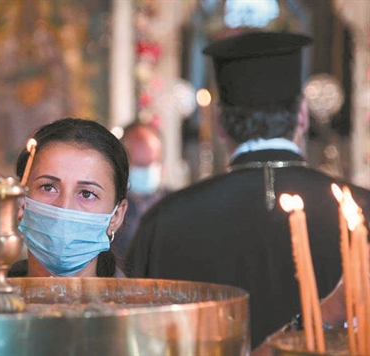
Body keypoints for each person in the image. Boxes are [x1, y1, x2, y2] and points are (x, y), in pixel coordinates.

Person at [125, 31, 370, 349]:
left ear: (219, 123)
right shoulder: (361, 209)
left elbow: (138, 338)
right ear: (302, 115)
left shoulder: (164, 220)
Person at [0, 117, 129, 278]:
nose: (64, 207)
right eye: (48, 187)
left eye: (87, 194)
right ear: (19, 200)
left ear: (116, 216)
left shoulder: (135, 309)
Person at [112, 122, 171, 272]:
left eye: (150, 163)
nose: (144, 171)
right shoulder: (106, 209)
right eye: (138, 164)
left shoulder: (176, 206)